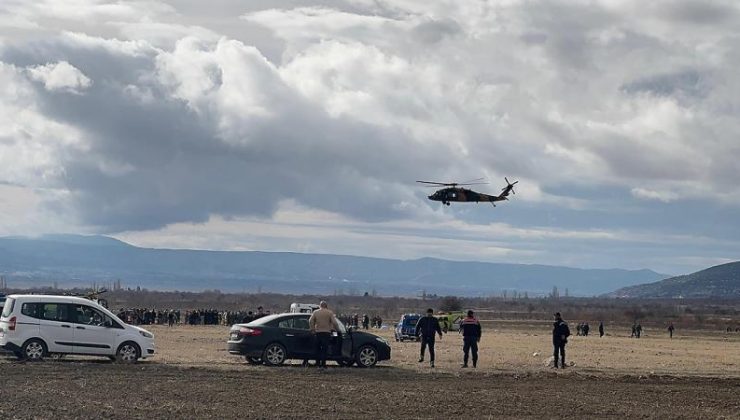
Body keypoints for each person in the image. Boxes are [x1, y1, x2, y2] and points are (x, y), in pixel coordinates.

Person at [309, 301, 340, 369]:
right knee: (324, 349)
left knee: (317, 349)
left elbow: (310, 321)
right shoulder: (329, 312)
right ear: (326, 306)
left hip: (318, 333)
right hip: (326, 333)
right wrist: (338, 330)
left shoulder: (315, 312)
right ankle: (323, 364)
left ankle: (317, 364)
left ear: (320, 305)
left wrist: (312, 329)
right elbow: (334, 322)